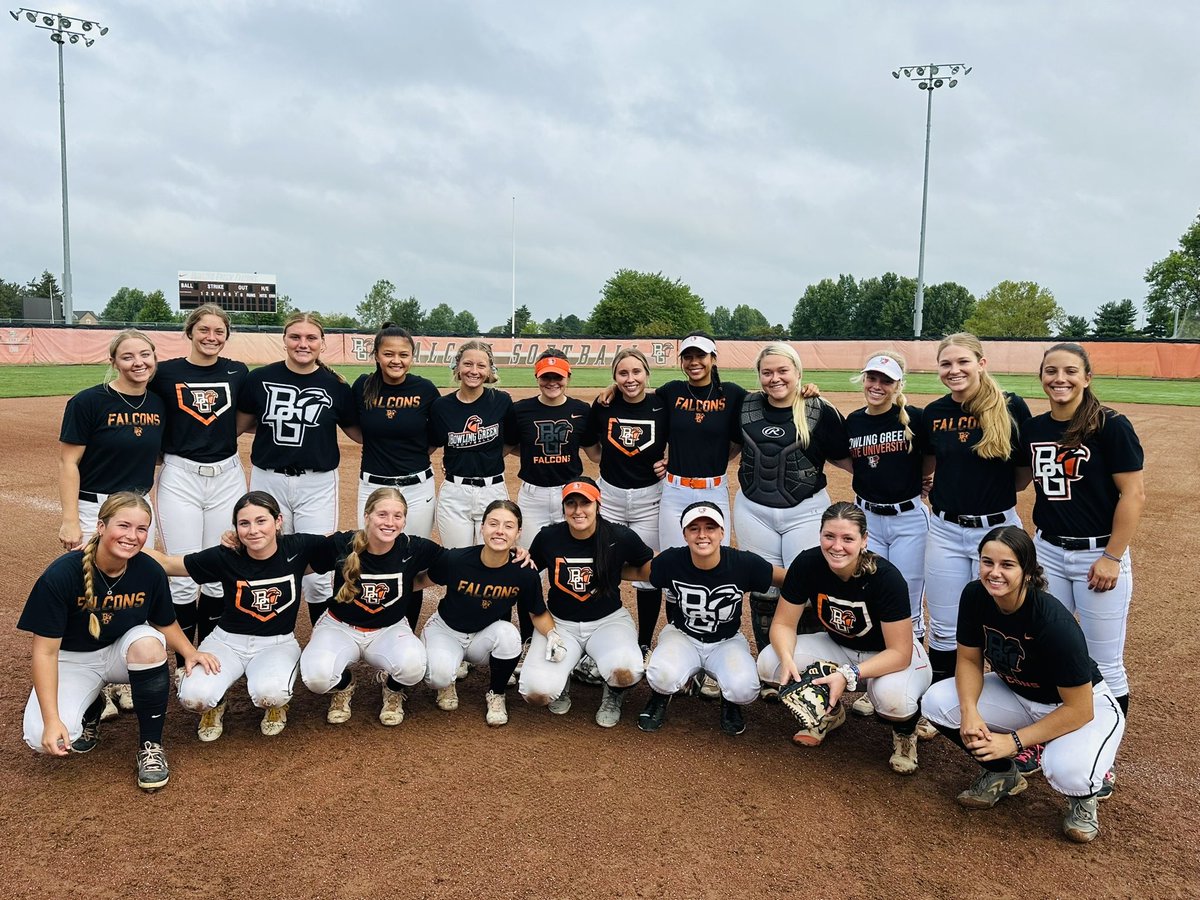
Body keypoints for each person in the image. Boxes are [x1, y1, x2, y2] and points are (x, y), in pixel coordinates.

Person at [921, 526, 1125, 843]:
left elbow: (1079, 709)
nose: (994, 573)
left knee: (1067, 771)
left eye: (1007, 565)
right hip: (1018, 694)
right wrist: (970, 710)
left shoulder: (1052, 621)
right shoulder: (975, 596)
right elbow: (969, 661)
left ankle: (1084, 798)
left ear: (1027, 571)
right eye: (987, 562)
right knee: (937, 702)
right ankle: (1003, 773)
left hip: (1082, 706)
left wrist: (1014, 742)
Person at [19, 493, 218, 791]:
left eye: (141, 529)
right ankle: (92, 705)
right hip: (73, 661)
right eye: (123, 526)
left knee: (150, 644)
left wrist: (190, 652)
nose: (132, 536)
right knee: (40, 736)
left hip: (121, 653)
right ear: (100, 527)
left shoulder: (148, 570)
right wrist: (51, 719)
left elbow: (163, 621)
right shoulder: (61, 575)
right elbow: (45, 654)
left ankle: (151, 745)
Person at [1013, 342, 1144, 794]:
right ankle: (1043, 736)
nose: (1060, 379)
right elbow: (1017, 478)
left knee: (1105, 661)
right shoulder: (1033, 428)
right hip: (1047, 550)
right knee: (1043, 646)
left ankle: (1102, 759)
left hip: (1097, 555)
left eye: (1070, 371)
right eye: (1051, 371)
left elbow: (1133, 495)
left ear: (1087, 377)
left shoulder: (1111, 426)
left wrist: (1111, 555)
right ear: (1042, 377)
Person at [757, 502, 933, 775]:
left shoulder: (885, 578)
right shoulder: (807, 563)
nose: (837, 546)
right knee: (771, 662)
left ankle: (905, 731)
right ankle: (830, 711)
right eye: (829, 536)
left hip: (891, 657)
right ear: (820, 535)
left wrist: (849, 674)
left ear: (864, 540)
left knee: (892, 701)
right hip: (840, 647)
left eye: (848, 538)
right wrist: (787, 656)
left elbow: (900, 652)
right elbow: (782, 623)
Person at [147, 491, 336, 740]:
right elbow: (169, 565)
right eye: (244, 523)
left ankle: (277, 707)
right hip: (227, 641)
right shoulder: (227, 555)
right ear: (235, 529)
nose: (253, 530)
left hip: (277, 643)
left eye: (261, 521)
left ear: (278, 521)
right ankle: (215, 705)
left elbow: (343, 542)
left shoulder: (298, 547)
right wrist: (114, 544)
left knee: (271, 694)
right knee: (194, 698)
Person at [59, 328, 165, 719]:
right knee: (88, 590)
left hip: (137, 510)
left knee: (130, 588)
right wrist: (71, 518)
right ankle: (90, 678)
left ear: (155, 358)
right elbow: (68, 462)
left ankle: (121, 677)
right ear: (113, 361)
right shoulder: (89, 402)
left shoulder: (157, 402)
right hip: (96, 509)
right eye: (128, 356)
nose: (138, 363)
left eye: (145, 355)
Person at [921, 333, 1031, 685]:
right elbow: (928, 462)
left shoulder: (1011, 406)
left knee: (1007, 617)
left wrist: (986, 492)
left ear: (981, 363)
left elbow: (1022, 474)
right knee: (943, 622)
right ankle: (942, 699)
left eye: (963, 362)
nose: (954, 370)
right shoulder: (934, 413)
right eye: (946, 364)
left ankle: (1013, 694)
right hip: (945, 530)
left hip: (997, 530)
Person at [237, 312, 358, 624]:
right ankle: (269, 633)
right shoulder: (259, 378)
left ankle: (320, 640)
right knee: (265, 554)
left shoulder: (336, 386)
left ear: (322, 343)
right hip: (268, 480)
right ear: (284, 340)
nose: (303, 343)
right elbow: (238, 426)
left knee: (317, 572)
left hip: (316, 484)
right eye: (295, 337)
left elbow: (359, 432)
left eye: (311, 338)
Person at [735, 343, 851, 667]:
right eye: (767, 372)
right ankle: (770, 665)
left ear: (798, 373)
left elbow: (847, 459)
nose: (775, 378)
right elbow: (721, 446)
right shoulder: (746, 406)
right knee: (764, 588)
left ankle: (812, 667)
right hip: (753, 511)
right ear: (758, 375)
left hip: (806, 511)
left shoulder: (818, 409)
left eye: (783, 370)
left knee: (810, 588)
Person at [150, 303, 250, 681]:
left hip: (226, 474)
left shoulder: (237, 372)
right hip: (181, 476)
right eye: (204, 330)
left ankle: (210, 655)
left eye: (219, 331)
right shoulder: (167, 373)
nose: (211, 337)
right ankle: (183, 664)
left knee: (217, 570)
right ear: (190, 331)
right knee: (182, 574)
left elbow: (242, 418)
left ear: (226, 335)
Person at [843, 351, 935, 737]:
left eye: (886, 380)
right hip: (869, 519)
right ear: (863, 380)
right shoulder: (854, 422)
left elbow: (930, 458)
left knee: (909, 604)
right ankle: (877, 682)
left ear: (899, 385)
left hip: (909, 518)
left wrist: (924, 481)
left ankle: (917, 692)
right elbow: (852, 462)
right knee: (874, 598)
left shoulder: (913, 418)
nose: (877, 386)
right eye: (871, 378)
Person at [635, 502, 784, 736]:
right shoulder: (672, 560)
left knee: (744, 689)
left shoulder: (742, 563)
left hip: (726, 641)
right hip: (683, 636)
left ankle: (730, 701)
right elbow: (637, 572)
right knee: (661, 676)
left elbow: (787, 579)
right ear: (684, 534)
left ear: (722, 532)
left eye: (710, 528)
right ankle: (660, 697)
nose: (702, 535)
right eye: (694, 528)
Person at [519, 477, 654, 727]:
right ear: (563, 508)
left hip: (608, 621)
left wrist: (619, 572)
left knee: (626, 671)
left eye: (585, 503)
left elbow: (648, 566)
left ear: (598, 505)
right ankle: (563, 678)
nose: (578, 510)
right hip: (560, 624)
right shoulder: (549, 537)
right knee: (535, 692)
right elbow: (529, 570)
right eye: (571, 504)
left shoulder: (619, 536)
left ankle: (612, 693)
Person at [300, 488, 441, 726]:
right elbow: (294, 562)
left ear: (405, 520)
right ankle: (344, 685)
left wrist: (510, 551)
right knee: (316, 678)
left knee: (413, 668)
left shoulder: (412, 548)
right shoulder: (343, 544)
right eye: (382, 514)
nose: (390, 522)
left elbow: (455, 563)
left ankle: (393, 688)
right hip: (339, 627)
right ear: (367, 516)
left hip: (389, 628)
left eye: (398, 516)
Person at [420, 500, 548, 726]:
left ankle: (496, 693)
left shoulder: (524, 572)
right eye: (493, 523)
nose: (500, 531)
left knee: (509, 635)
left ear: (518, 533)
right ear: (482, 527)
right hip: (446, 630)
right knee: (436, 677)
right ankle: (446, 679)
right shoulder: (456, 560)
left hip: (483, 636)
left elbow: (537, 611)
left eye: (508, 526)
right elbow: (421, 581)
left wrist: (554, 636)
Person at [580, 348, 670, 658]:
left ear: (647, 374)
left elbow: (681, 438)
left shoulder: (661, 405)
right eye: (622, 373)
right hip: (612, 497)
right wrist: (604, 461)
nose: (630, 379)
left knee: (647, 572)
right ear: (614, 377)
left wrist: (670, 458)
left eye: (636, 372)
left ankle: (644, 642)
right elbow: (590, 442)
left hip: (651, 499)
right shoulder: (604, 404)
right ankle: (598, 636)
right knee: (602, 566)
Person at [351, 322, 441, 629]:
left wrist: (410, 457)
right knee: (371, 555)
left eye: (403, 354)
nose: (396, 360)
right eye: (388, 353)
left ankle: (405, 632)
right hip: (373, 485)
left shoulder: (425, 389)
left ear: (412, 356)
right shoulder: (363, 385)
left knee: (411, 559)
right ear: (376, 355)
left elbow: (434, 437)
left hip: (416, 487)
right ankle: (372, 627)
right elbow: (354, 428)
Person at [428, 340, 512, 549]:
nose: (474, 371)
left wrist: (486, 456)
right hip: (455, 493)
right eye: (468, 364)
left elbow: (512, 440)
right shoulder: (441, 406)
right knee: (457, 559)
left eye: (481, 366)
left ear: (490, 370)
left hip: (493, 490)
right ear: (457, 367)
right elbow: (435, 442)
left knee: (493, 558)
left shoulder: (501, 401)